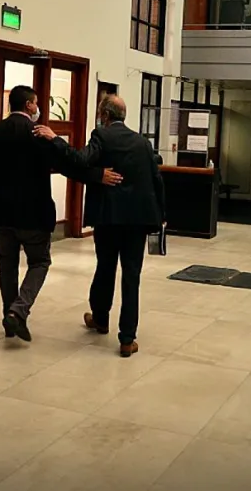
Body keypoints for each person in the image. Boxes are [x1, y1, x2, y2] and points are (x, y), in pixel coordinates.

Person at [0, 85, 120, 341]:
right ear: (29, 105)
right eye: (37, 103)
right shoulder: (39, 134)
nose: (39, 108)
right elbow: (69, 165)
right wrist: (98, 175)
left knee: (6, 264)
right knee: (39, 262)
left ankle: (10, 313)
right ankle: (17, 312)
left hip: (0, 212)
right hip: (34, 212)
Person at [35, 95, 165, 358]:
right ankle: (127, 338)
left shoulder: (101, 136)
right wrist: (161, 214)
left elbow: (80, 159)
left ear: (104, 115)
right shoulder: (142, 142)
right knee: (132, 277)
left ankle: (101, 318)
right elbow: (156, 178)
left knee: (105, 268)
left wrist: (55, 139)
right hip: (137, 220)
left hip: (109, 217)